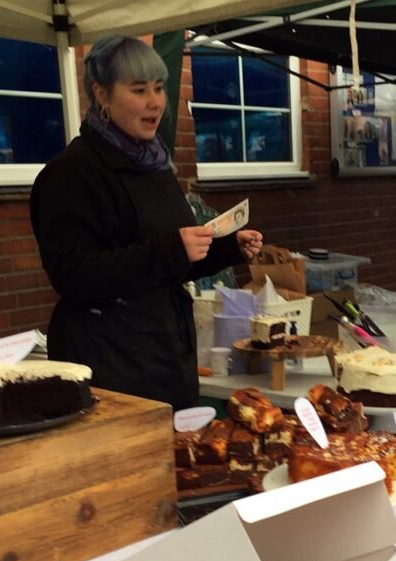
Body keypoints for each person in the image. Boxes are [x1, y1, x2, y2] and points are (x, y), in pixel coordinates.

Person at [30, 35, 263, 410]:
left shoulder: (153, 163)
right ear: (102, 95)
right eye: (139, 89)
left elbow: (169, 261)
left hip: (166, 353)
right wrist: (172, 249)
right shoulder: (71, 174)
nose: (155, 101)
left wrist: (224, 249)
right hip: (110, 364)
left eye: (159, 87)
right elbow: (73, 274)